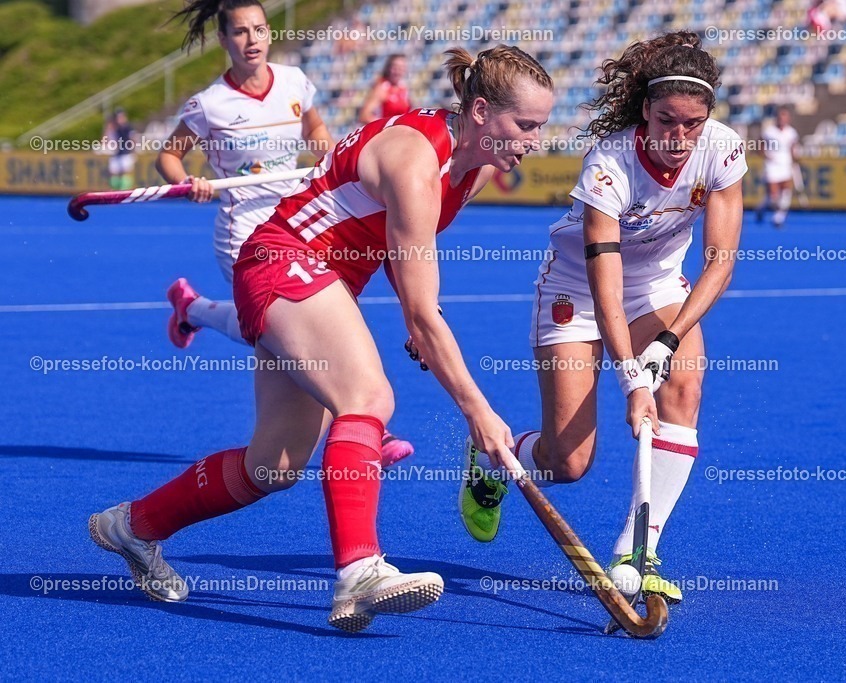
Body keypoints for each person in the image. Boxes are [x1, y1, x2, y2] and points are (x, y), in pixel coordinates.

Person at [89, 44, 553, 633]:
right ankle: (359, 571)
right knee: (368, 400)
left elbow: (404, 263)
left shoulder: (472, 170)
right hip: (285, 262)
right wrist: (478, 412)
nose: (535, 141)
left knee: (274, 466)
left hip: (313, 279)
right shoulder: (416, 159)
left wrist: (422, 319)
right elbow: (419, 308)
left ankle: (134, 525)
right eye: (526, 125)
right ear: (482, 111)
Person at [457, 31, 745, 606]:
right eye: (666, 120)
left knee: (685, 384)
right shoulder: (609, 164)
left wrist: (666, 342)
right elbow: (603, 286)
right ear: (645, 109)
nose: (679, 137)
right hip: (577, 291)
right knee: (568, 464)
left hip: (659, 287)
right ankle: (498, 455)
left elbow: (719, 263)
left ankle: (639, 551)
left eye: (692, 123)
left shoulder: (723, 149)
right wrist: (632, 378)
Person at [155, 0, 413, 465]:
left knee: (311, 321)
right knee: (282, 330)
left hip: (300, 222)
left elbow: (316, 131)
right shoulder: (210, 104)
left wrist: (332, 158)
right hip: (244, 231)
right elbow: (169, 157)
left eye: (258, 30)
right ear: (223, 40)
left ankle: (191, 308)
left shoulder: (294, 81)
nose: (251, 40)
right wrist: (188, 181)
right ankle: (365, 421)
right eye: (239, 32)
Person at [757, 107, 799, 228]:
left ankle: (778, 218)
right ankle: (761, 209)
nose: (782, 119)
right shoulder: (769, 131)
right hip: (772, 165)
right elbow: (760, 145)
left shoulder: (791, 132)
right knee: (773, 196)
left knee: (785, 192)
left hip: (785, 164)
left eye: (785, 117)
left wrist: (795, 160)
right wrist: (766, 155)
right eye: (780, 117)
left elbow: (793, 148)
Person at [357, 54, 411, 124]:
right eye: (395, 67)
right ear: (389, 68)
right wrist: (387, 126)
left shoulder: (404, 89)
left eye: (401, 68)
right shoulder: (382, 88)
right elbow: (364, 116)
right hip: (385, 131)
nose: (398, 71)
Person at [104, 108, 137, 191]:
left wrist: (133, 150)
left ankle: (125, 191)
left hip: (126, 153)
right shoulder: (114, 128)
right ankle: (114, 190)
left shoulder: (128, 127)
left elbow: (133, 139)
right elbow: (106, 138)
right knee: (113, 173)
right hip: (116, 153)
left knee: (125, 172)